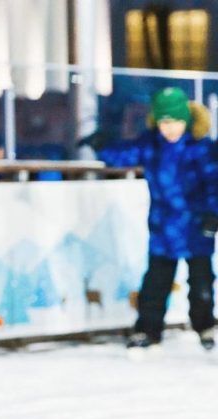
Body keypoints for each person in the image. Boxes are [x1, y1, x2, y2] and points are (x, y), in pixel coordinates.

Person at [90, 87, 218, 350]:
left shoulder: (202, 149)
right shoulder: (151, 145)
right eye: (164, 122)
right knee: (155, 283)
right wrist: (102, 145)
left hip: (197, 227)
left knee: (202, 281)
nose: (169, 128)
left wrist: (212, 215)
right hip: (163, 228)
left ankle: (205, 325)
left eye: (175, 122)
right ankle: (148, 330)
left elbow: (213, 184)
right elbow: (124, 154)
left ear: (187, 120)